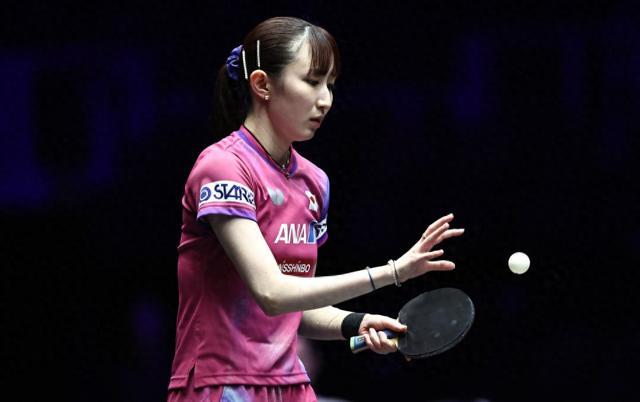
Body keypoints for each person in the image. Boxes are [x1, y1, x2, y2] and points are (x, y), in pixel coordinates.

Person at [167, 16, 464, 402]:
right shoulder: (224, 167)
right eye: (311, 81)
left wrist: (355, 322)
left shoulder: (313, 182)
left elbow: (294, 305)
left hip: (291, 384)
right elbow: (272, 292)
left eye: (331, 85)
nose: (325, 99)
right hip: (221, 384)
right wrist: (393, 272)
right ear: (262, 84)